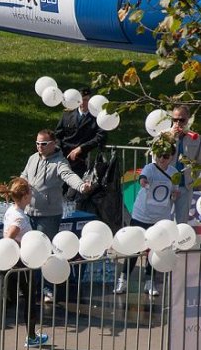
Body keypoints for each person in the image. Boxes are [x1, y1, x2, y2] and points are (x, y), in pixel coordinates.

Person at [21, 129, 90, 302]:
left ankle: (47, 288)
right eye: (37, 143)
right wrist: (15, 186)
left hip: (49, 215)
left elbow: (69, 176)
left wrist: (81, 186)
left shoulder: (60, 162)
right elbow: (24, 176)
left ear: (53, 144)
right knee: (31, 251)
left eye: (43, 144)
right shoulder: (32, 158)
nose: (39, 147)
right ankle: (31, 288)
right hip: (30, 212)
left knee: (46, 251)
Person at [114, 134, 179, 296]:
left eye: (165, 156)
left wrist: (174, 194)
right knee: (134, 248)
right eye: (158, 156)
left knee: (155, 249)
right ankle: (123, 279)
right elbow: (143, 178)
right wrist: (143, 182)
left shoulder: (174, 172)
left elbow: (174, 189)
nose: (161, 160)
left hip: (160, 217)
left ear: (171, 157)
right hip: (142, 215)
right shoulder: (150, 168)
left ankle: (150, 280)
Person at [0, 178, 49, 347]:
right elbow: (10, 236)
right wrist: (17, 247)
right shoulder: (19, 218)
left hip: (11, 262)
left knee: (9, 299)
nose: (31, 196)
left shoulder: (12, 210)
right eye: (30, 193)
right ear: (24, 197)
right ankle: (31, 337)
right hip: (22, 263)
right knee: (30, 298)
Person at [54, 86, 108, 179]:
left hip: (82, 159)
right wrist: (58, 149)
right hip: (64, 156)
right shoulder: (67, 114)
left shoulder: (97, 117)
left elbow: (100, 136)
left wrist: (82, 148)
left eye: (86, 100)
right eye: (81, 100)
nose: (83, 103)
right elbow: (58, 134)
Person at [169, 105, 201, 223]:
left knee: (181, 222)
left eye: (182, 120)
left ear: (188, 119)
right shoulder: (164, 136)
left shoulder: (196, 139)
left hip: (185, 186)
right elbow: (156, 159)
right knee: (162, 219)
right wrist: (171, 137)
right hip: (167, 183)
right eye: (175, 119)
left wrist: (193, 180)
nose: (178, 123)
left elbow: (199, 162)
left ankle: (179, 241)